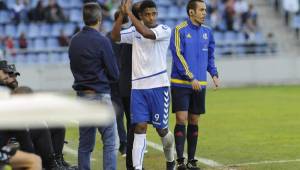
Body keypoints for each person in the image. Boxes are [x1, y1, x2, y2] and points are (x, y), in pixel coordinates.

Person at [111, 0, 175, 169]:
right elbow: (115, 37)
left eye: (154, 13)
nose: (151, 17)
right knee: (139, 127)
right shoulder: (133, 31)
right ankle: (137, 167)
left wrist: (130, 13)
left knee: (162, 130)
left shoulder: (164, 30)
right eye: (147, 14)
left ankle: (170, 159)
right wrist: (122, 16)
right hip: (138, 89)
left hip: (159, 88)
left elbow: (146, 33)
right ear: (141, 15)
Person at [170, 0, 220, 169]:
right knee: (181, 118)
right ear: (191, 12)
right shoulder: (179, 30)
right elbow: (177, 55)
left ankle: (191, 161)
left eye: (205, 10)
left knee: (194, 120)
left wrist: (214, 73)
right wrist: (191, 77)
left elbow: (210, 55)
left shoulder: (208, 32)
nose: (204, 13)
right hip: (181, 83)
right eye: (201, 10)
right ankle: (180, 161)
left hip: (201, 84)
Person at [69, 2, 119, 170]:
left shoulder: (74, 41)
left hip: (82, 97)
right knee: (110, 142)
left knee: (85, 144)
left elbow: (73, 66)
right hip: (100, 96)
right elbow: (114, 73)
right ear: (100, 18)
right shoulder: (102, 41)